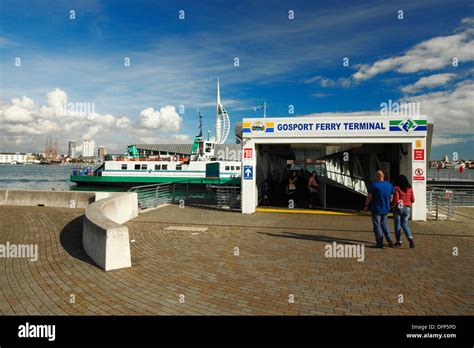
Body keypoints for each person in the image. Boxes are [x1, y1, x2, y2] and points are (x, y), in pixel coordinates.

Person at [364, 170, 395, 248]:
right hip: (386, 208)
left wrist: (366, 205)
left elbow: (369, 197)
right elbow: (391, 197)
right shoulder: (389, 185)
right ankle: (389, 239)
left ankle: (379, 243)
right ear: (383, 176)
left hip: (376, 208)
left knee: (377, 225)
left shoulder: (373, 185)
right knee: (384, 224)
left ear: (376, 176)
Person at [392, 175, 415, 248]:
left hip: (399, 207)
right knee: (405, 224)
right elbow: (413, 200)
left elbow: (396, 199)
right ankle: (410, 239)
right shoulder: (410, 188)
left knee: (397, 225)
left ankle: (398, 241)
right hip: (407, 208)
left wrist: (391, 205)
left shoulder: (396, 188)